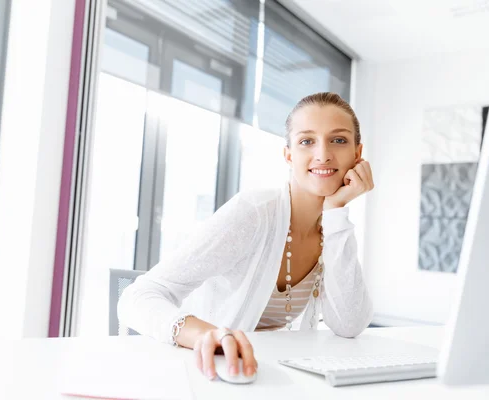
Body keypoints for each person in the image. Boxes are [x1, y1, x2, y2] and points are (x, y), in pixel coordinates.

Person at [118, 92, 374, 381]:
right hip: (205, 374)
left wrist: (336, 212)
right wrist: (207, 335)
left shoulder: (333, 227)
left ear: (357, 154)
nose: (323, 154)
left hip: (263, 376)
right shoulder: (253, 213)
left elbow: (349, 324)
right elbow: (136, 297)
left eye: (338, 140)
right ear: (289, 155)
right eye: (306, 141)